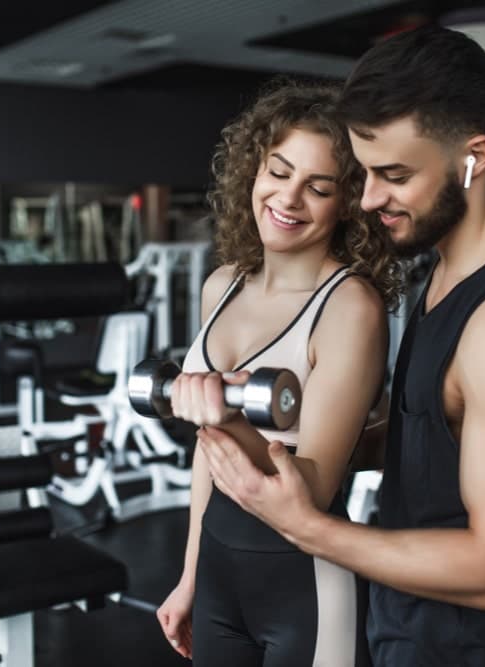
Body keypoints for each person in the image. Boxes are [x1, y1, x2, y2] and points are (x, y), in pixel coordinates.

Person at [195, 25, 485, 667]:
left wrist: (308, 526)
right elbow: (435, 435)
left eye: (393, 175)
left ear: (474, 157)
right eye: (362, 173)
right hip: (407, 636)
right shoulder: (446, 274)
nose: (368, 199)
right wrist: (287, 440)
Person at [154, 79, 403, 666]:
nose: (288, 199)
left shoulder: (350, 308)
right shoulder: (223, 283)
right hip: (218, 570)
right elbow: (206, 453)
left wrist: (229, 417)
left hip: (304, 583)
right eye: (278, 171)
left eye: (317, 187)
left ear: (346, 203)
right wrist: (190, 575)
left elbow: (313, 486)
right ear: (252, 171)